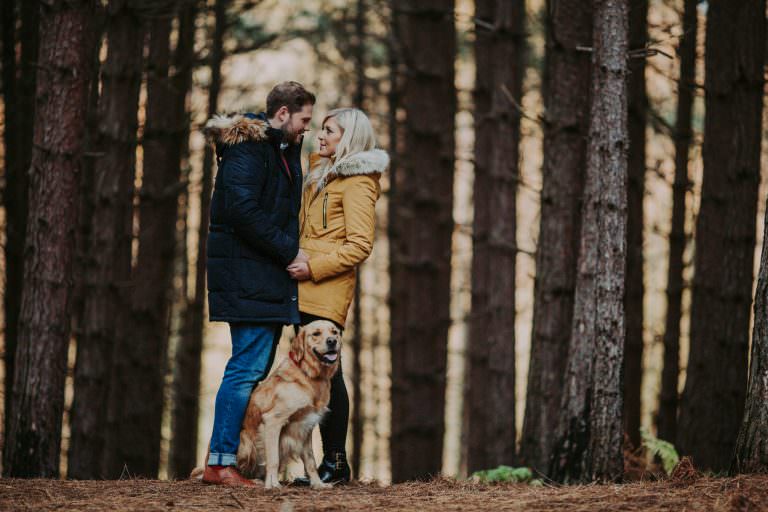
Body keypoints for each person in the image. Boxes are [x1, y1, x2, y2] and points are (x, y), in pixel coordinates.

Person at [201, 81, 315, 487]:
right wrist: (290, 252)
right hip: (247, 278)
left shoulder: (277, 151)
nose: (307, 128)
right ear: (282, 114)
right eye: (303, 119)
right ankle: (219, 462)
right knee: (245, 369)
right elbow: (243, 211)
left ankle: (228, 459)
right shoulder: (249, 150)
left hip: (260, 280)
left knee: (252, 367)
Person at [287, 108, 389, 484]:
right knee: (309, 375)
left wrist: (313, 268)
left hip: (326, 288)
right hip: (303, 287)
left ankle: (336, 464)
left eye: (329, 130)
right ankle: (317, 467)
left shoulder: (358, 181)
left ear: (348, 137)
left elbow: (360, 245)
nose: (321, 135)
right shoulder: (323, 174)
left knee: (330, 376)